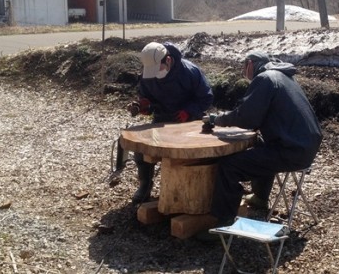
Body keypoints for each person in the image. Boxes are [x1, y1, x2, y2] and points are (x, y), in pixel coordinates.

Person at [208, 50, 323, 225]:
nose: (244, 71)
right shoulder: (284, 77)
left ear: (250, 64)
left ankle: (222, 223)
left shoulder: (264, 79)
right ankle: (260, 198)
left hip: (290, 151)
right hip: (306, 146)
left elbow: (246, 117)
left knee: (228, 166)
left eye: (244, 66)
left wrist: (218, 120)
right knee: (261, 146)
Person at [127, 41, 214, 204]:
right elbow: (147, 98)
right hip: (161, 120)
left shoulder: (190, 72)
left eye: (158, 69)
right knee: (141, 149)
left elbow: (206, 97)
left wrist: (188, 111)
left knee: (190, 154)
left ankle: (191, 191)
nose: (155, 73)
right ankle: (145, 184)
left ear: (168, 60)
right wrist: (144, 106)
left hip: (189, 122)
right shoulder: (148, 74)